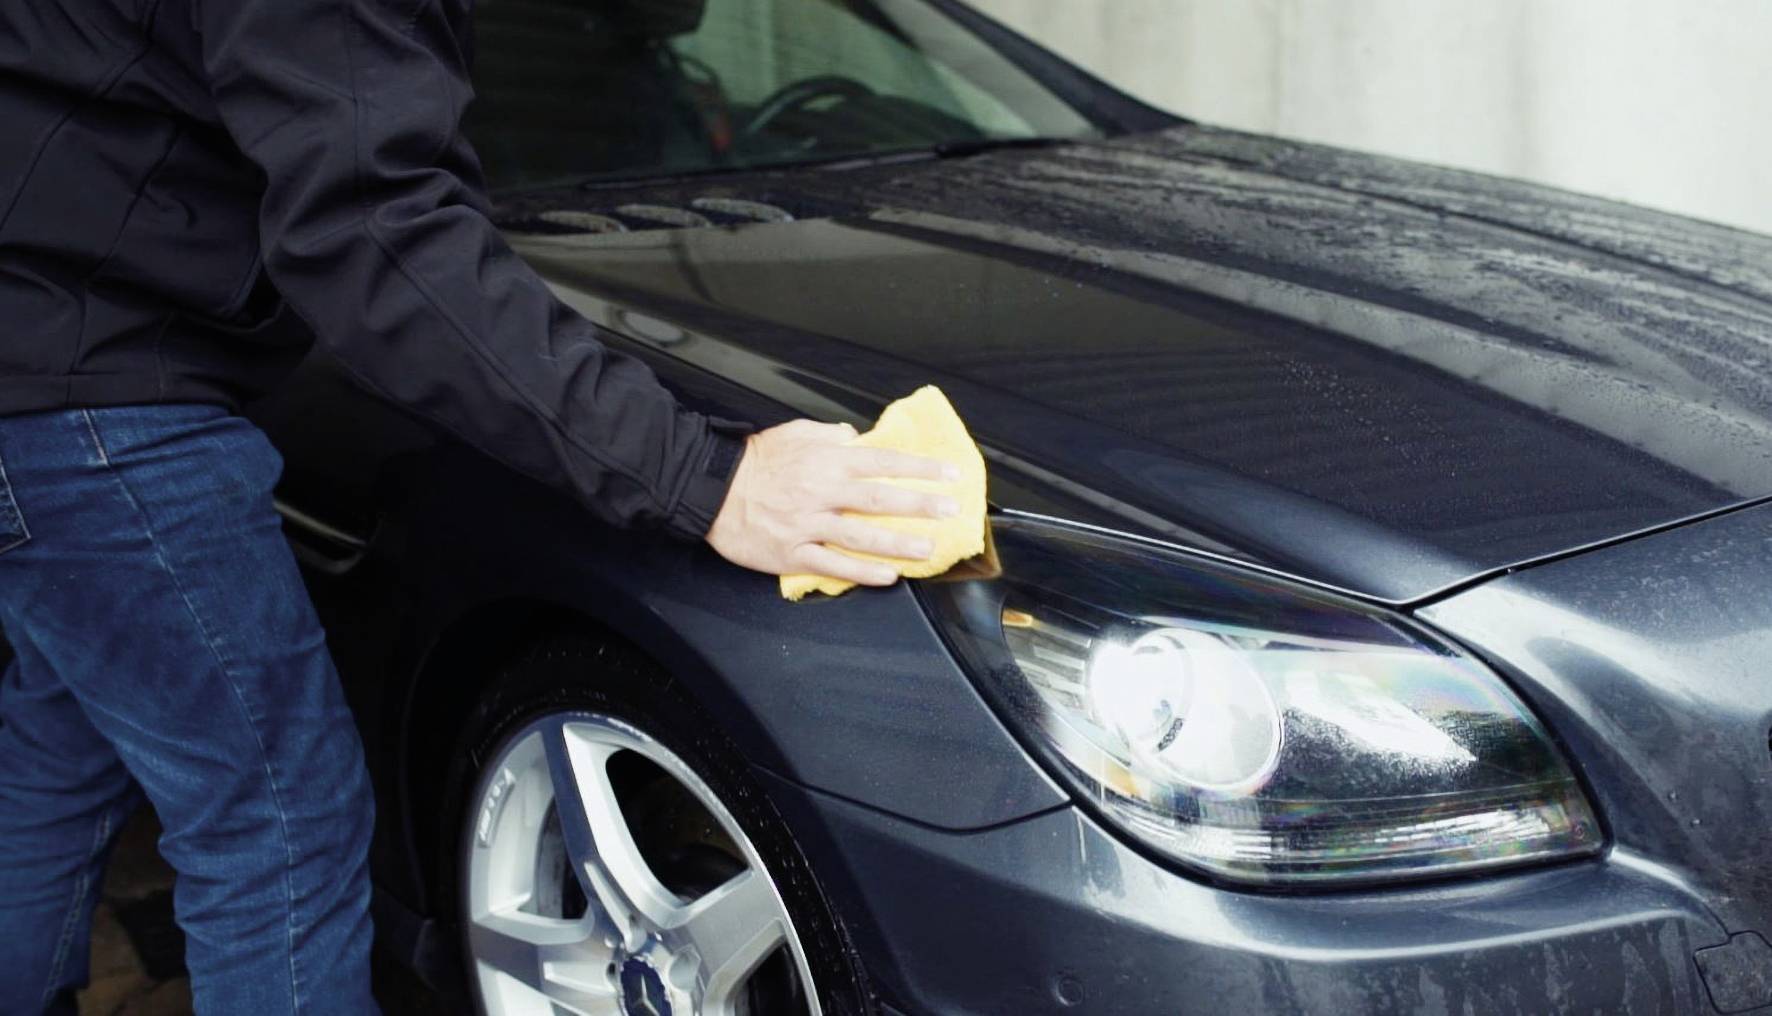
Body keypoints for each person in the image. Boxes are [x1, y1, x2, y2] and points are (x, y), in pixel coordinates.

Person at [0, 1, 956, 1012]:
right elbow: (378, 234)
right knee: (281, 827)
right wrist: (705, 476)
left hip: (44, 381)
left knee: (56, 753)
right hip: (98, 409)